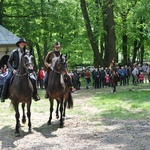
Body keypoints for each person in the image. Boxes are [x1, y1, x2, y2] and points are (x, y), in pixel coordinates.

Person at [1, 38, 40, 102]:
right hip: (15, 69)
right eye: (22, 43)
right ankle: (3, 95)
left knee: (33, 79)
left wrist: (30, 67)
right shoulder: (14, 52)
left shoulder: (27, 52)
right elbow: (9, 62)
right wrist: (12, 69)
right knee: (7, 79)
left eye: (24, 43)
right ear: (19, 44)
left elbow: (30, 61)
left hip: (26, 70)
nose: (24, 44)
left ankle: (35, 95)